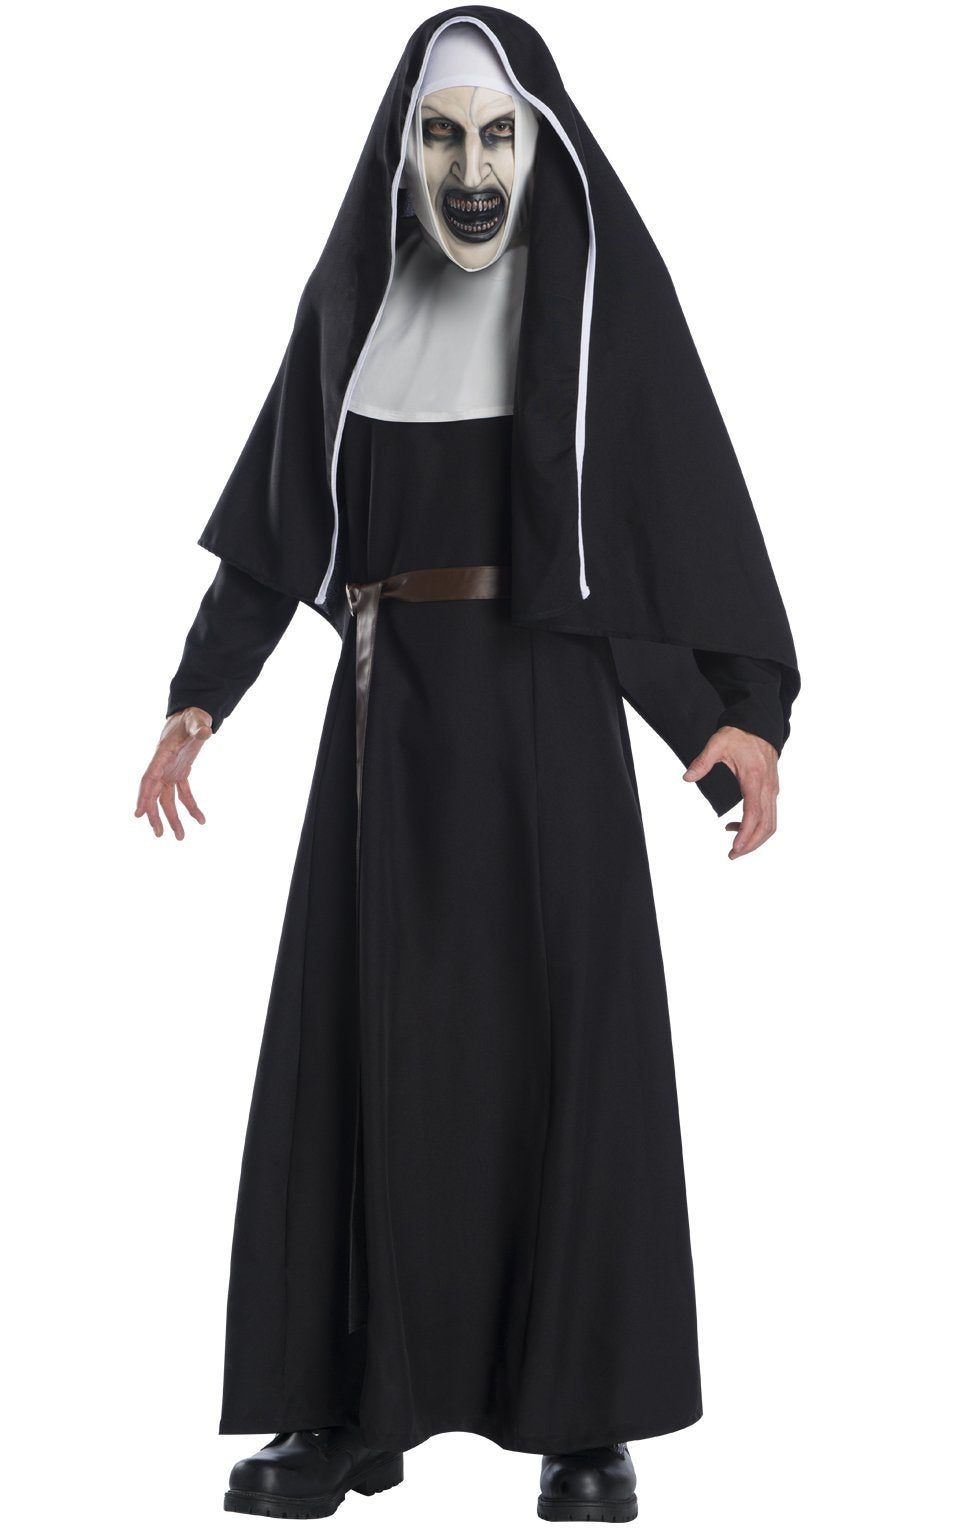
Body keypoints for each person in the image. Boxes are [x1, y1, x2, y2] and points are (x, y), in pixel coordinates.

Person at [136, 8, 800, 1523]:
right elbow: (282, 520)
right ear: (404, 151)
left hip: (548, 715)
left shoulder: (595, 311)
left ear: (540, 148)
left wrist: (734, 716)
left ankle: (587, 1420)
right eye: (442, 136)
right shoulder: (355, 304)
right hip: (388, 723)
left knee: (570, 1050)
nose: (473, 168)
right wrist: (200, 697)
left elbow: (663, 523)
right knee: (366, 1044)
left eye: (498, 135)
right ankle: (342, 1409)